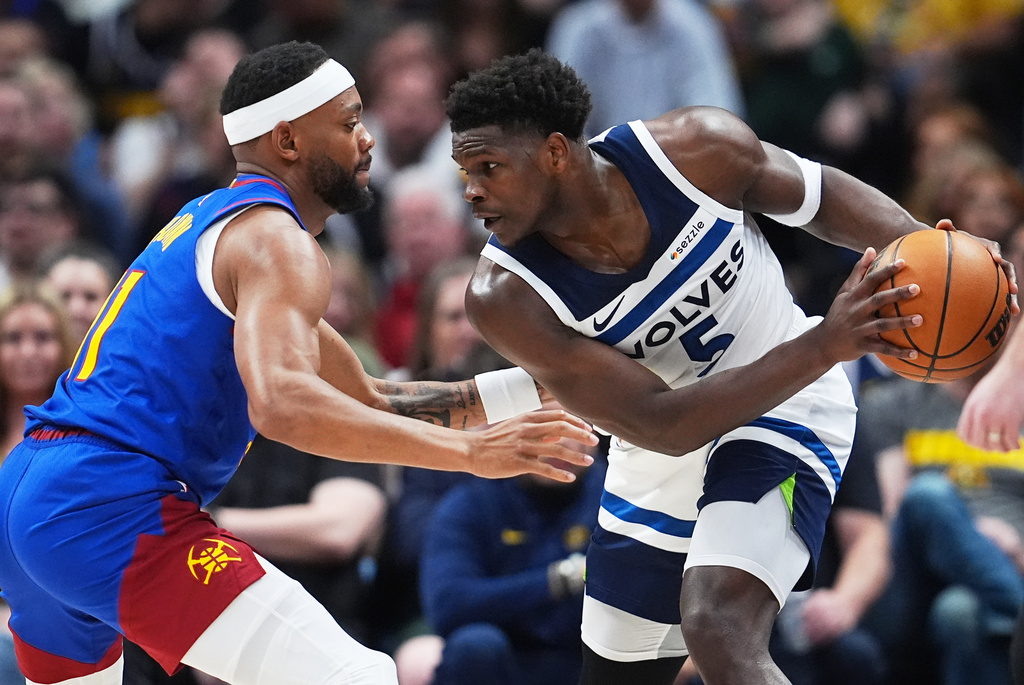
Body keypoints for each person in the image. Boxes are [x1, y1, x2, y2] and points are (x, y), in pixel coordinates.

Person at [0, 41, 597, 685]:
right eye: (348, 122)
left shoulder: (214, 222)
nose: (367, 139)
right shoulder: (277, 241)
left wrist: (539, 387)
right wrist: (473, 454)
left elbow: (370, 398)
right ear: (287, 140)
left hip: (30, 492)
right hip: (107, 503)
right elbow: (282, 406)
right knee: (357, 678)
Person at [444, 49, 1012, 685]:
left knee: (717, 624)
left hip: (791, 403)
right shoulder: (505, 296)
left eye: (489, 168)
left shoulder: (695, 151)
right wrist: (827, 342)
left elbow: (822, 198)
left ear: (554, 152)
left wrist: (935, 258)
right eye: (465, 172)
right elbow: (661, 425)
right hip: (663, 449)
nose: (472, 191)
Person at [410, 438, 607, 685]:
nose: (562, 443)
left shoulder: (616, 497)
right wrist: (562, 578)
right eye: (546, 430)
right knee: (474, 645)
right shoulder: (472, 502)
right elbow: (448, 605)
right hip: (506, 658)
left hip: (584, 653)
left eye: (577, 429)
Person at [959, 301, 1024, 685]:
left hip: (1012, 559)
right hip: (938, 552)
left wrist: (1012, 369)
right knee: (928, 497)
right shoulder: (899, 403)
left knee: (957, 611)